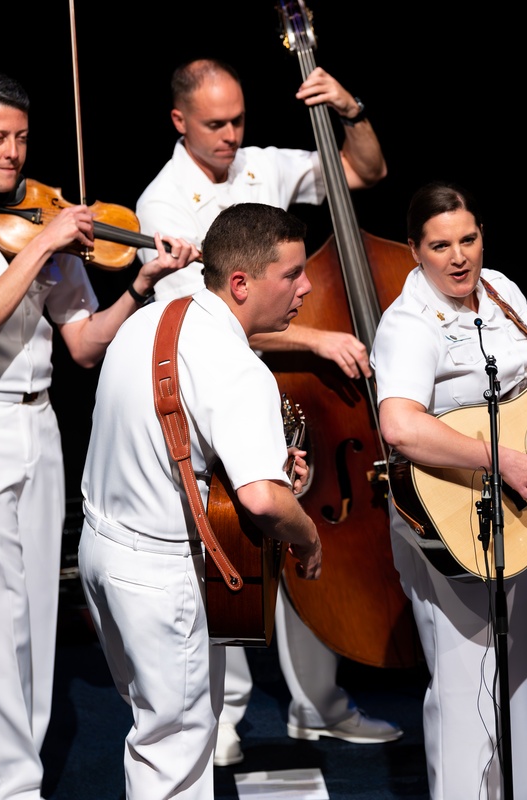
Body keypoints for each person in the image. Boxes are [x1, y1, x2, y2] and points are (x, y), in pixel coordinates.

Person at [0, 69, 197, 800]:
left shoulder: (38, 214)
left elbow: (84, 344)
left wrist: (140, 286)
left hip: (39, 420)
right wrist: (46, 243)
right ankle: (13, 790)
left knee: (35, 621)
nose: (14, 154)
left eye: (22, 138)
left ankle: (0, 786)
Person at [135, 57, 401, 766]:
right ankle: (224, 713)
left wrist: (350, 107)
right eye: (215, 124)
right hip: (223, 379)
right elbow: (202, 317)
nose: (230, 135)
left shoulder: (261, 163)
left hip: (295, 388)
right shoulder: (162, 201)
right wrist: (315, 334)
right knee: (236, 543)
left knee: (311, 528)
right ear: (179, 122)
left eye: (238, 120)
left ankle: (321, 705)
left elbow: (363, 173)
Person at [370, 181, 527, 798]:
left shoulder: (504, 293)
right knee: (466, 685)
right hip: (448, 511)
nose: (458, 257)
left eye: (468, 239)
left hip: (523, 512)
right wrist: (496, 458)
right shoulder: (409, 323)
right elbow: (398, 425)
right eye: (440, 245)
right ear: (416, 251)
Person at [79, 203, 323, 797]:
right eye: (291, 273)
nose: (307, 286)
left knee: (153, 732)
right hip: (162, 577)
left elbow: (168, 439)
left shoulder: (148, 319)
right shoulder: (240, 368)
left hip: (99, 552)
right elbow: (264, 501)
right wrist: (309, 536)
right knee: (178, 754)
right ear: (240, 283)